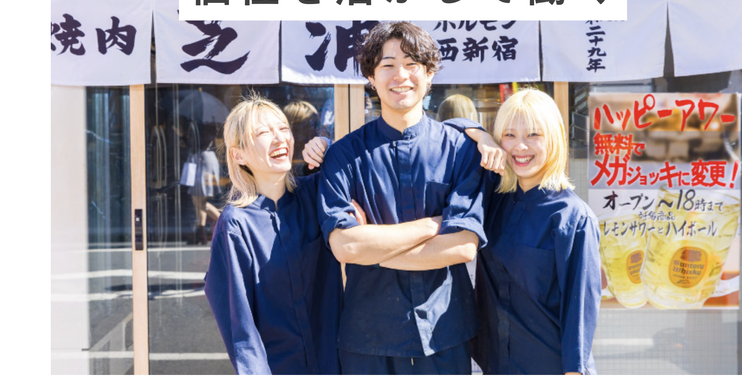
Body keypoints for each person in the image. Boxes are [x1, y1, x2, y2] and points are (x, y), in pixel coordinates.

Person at [312, 21, 488, 375]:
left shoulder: (461, 151)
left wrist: (372, 248)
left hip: (444, 334)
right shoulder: (343, 156)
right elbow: (345, 247)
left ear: (430, 74)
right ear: (371, 78)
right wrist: (434, 224)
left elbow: (462, 247)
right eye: (388, 65)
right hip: (369, 337)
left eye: (412, 64)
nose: (401, 76)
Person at [455, 89, 602, 375]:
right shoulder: (495, 201)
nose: (520, 146)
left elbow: (581, 310)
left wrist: (575, 371)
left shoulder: (572, 217)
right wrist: (483, 138)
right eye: (509, 135)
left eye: (533, 134)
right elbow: (451, 126)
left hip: (549, 366)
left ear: (553, 138)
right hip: (497, 365)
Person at [204, 95, 342, 375]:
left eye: (283, 129)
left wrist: (329, 150)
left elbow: (362, 169)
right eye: (263, 133)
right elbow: (240, 327)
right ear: (238, 155)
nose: (280, 139)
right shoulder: (235, 225)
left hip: (336, 364)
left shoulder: (317, 194)